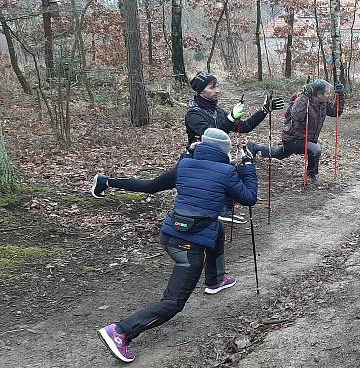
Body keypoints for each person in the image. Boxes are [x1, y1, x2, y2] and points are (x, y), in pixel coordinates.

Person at [97, 128, 258, 363]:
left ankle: (215, 280)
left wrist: (189, 152)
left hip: (171, 234)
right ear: (225, 151)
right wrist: (249, 169)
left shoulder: (185, 164)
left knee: (217, 230)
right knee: (173, 303)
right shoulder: (226, 172)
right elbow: (249, 197)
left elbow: (154, 184)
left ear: (200, 146)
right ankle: (121, 331)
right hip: (187, 247)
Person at [90, 72, 283, 223]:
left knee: (234, 172)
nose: (217, 91)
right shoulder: (193, 113)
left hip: (211, 164)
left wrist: (263, 111)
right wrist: (230, 119)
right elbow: (211, 137)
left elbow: (243, 127)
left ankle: (224, 208)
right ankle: (106, 182)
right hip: (192, 163)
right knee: (151, 187)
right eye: (212, 87)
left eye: (217, 87)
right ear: (200, 91)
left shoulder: (216, 109)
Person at [248, 79, 345, 187]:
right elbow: (297, 116)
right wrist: (304, 96)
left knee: (279, 154)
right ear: (318, 94)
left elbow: (336, 112)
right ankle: (310, 175)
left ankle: (254, 147)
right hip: (292, 139)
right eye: (327, 93)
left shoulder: (323, 103)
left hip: (306, 139)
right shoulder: (302, 101)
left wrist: (340, 95)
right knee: (315, 150)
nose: (329, 95)